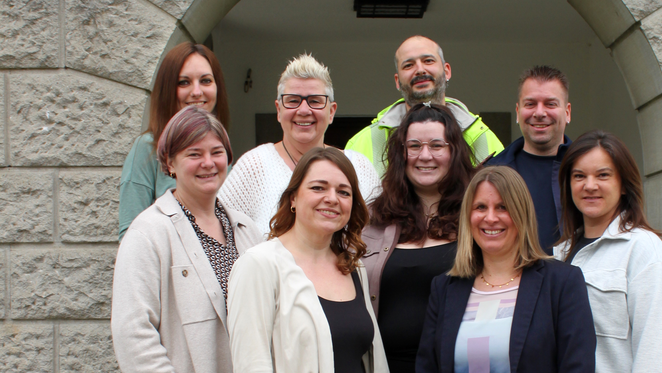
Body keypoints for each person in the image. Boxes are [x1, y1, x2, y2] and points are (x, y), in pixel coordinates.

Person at [227, 147, 398, 373]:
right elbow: (253, 371)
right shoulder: (260, 265)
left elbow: (372, 366)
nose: (331, 198)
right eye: (318, 187)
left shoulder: (353, 267)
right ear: (292, 198)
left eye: (343, 191)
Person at [416, 166, 596, 373]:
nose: (490, 218)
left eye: (503, 207)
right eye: (480, 207)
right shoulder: (445, 289)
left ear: (521, 213)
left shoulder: (561, 284)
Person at [112, 107, 262, 373]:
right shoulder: (149, 233)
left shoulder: (246, 231)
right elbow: (132, 331)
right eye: (194, 154)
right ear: (170, 163)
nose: (208, 163)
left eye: (216, 152)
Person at [553, 130, 662, 373]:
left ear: (624, 184)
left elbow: (656, 348)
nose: (589, 185)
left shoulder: (645, 252)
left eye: (603, 175)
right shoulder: (559, 255)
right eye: (579, 176)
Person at [361, 104, 476, 373]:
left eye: (437, 146)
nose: (425, 156)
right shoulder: (372, 220)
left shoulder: (478, 218)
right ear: (400, 154)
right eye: (414, 146)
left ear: (454, 151)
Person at [219, 53, 380, 235]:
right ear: (279, 110)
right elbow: (219, 232)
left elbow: (379, 239)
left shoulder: (359, 168)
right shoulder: (253, 166)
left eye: (315, 101)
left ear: (331, 111)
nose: (304, 110)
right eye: (293, 101)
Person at [345, 36, 504, 177]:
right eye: (408, 65)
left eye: (428, 61)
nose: (420, 70)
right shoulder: (362, 143)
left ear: (447, 71)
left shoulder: (483, 138)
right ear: (397, 81)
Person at [119, 42, 230, 240]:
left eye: (205, 81)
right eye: (184, 82)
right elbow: (130, 235)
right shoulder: (147, 148)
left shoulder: (221, 154)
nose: (196, 92)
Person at [487, 66, 572, 252]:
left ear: (567, 112)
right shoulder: (491, 173)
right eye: (530, 104)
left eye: (550, 104)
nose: (540, 113)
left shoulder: (585, 170)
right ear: (518, 111)